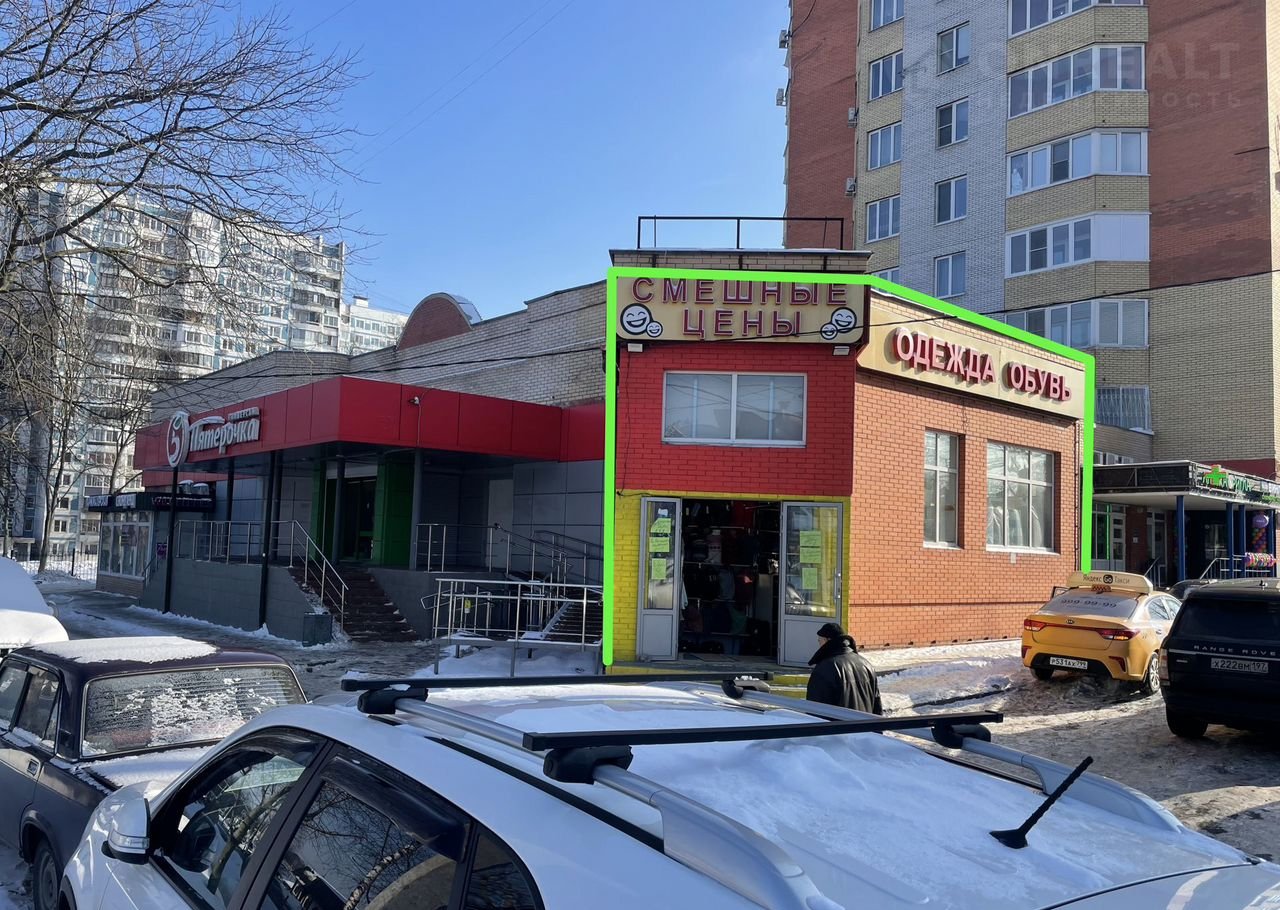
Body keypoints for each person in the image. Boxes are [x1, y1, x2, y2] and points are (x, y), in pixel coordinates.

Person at [805, 622, 882, 714]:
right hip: (865, 722)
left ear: (827, 640)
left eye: (819, 641)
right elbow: (877, 707)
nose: (819, 645)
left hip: (839, 723)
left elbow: (816, 710)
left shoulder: (825, 669)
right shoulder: (866, 664)